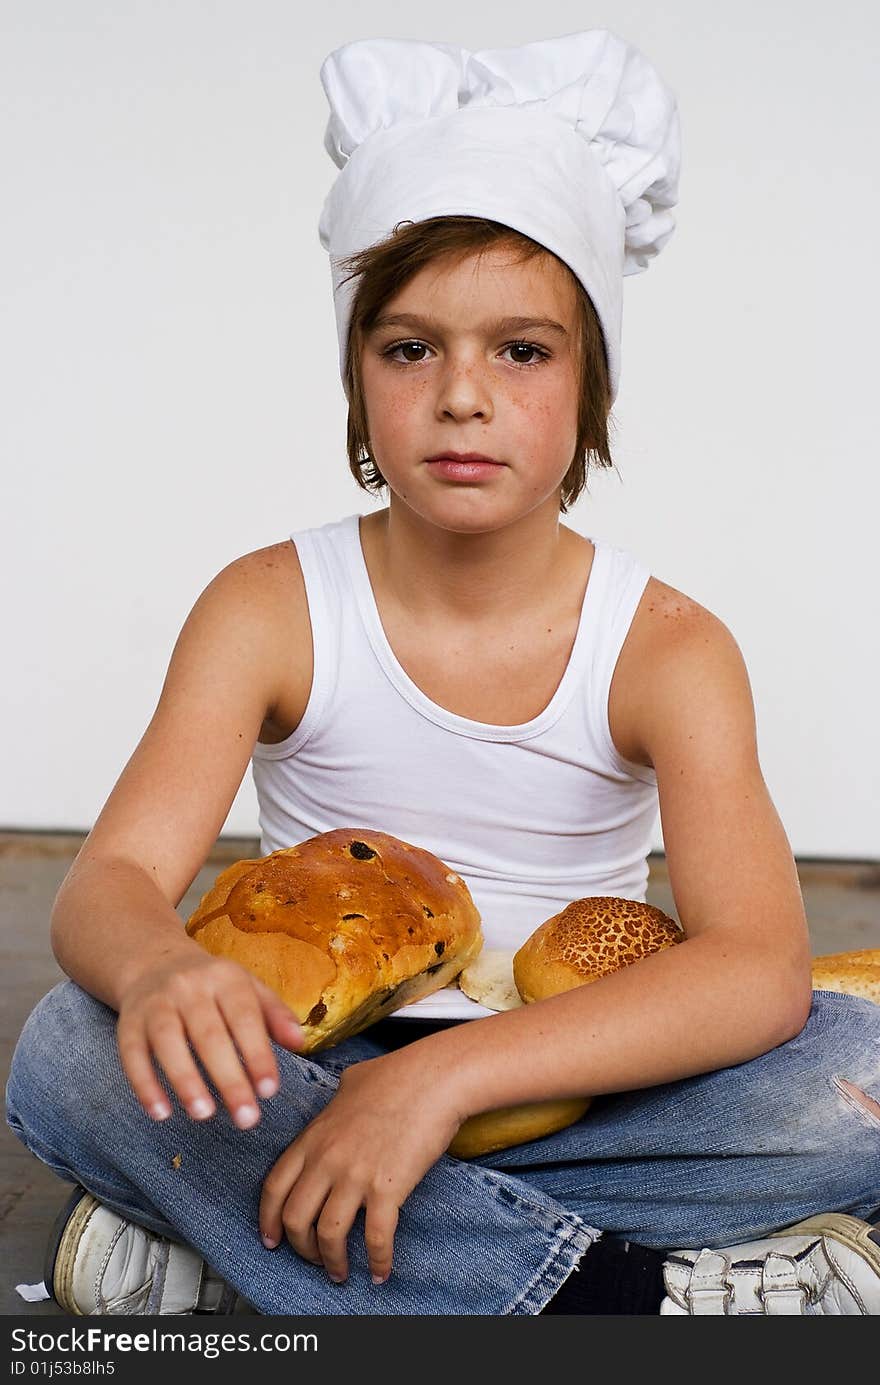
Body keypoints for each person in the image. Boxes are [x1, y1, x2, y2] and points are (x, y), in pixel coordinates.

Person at [6, 29, 880, 1318]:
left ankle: (240, 1228)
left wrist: (439, 1085)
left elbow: (752, 965)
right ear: (358, 385)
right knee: (63, 1056)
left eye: (521, 352)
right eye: (409, 349)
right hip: (320, 1057)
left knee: (856, 1078)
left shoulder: (668, 646)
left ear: (593, 391)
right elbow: (113, 886)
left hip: (577, 1076)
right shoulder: (270, 606)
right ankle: (635, 1296)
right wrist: (158, 972)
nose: (461, 396)